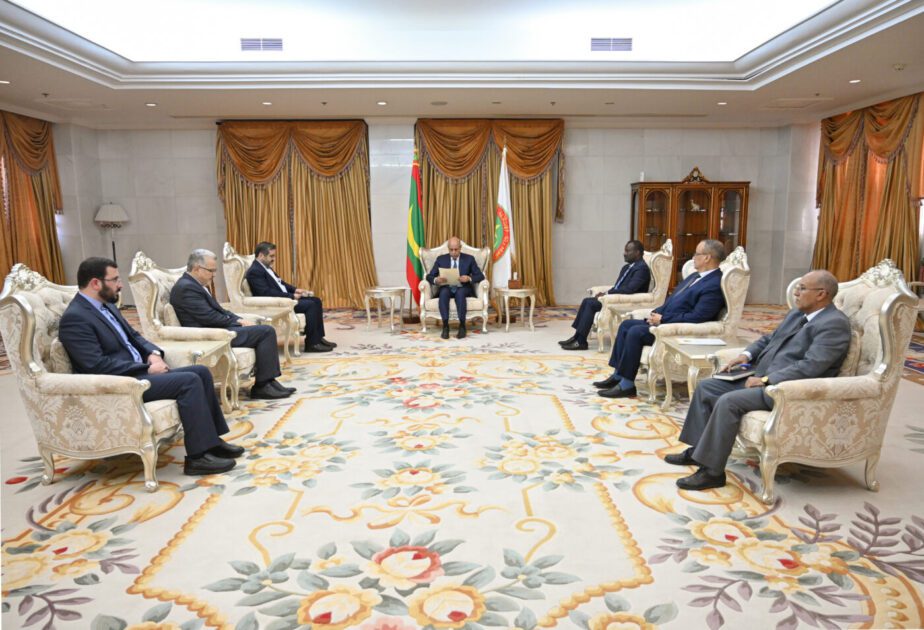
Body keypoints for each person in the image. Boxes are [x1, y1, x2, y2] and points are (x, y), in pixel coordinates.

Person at [58, 257, 243, 476]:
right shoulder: (75, 318)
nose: (120, 285)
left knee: (201, 372)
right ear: (96, 283)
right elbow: (95, 365)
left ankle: (212, 442)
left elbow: (135, 336)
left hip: (141, 371)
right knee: (190, 381)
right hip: (123, 383)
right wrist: (143, 369)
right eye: (115, 279)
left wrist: (153, 354)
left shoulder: (107, 306)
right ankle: (197, 458)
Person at [667, 270, 850, 491]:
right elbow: (768, 339)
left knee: (728, 402)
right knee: (706, 387)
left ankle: (712, 472)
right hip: (760, 376)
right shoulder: (797, 314)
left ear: (821, 294)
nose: (796, 293)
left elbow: (812, 366)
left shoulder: (834, 324)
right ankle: (698, 451)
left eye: (802, 288)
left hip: (787, 390)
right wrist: (746, 355)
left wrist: (766, 379)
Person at [594, 239, 727, 399]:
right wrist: (656, 313)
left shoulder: (714, 284)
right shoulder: (694, 276)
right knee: (626, 325)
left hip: (676, 329)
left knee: (635, 332)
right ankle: (618, 375)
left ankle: (627, 385)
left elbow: (698, 316)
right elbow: (673, 300)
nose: (693, 257)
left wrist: (663, 319)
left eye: (696, 253)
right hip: (664, 320)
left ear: (707, 257)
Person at [169, 249, 294, 401]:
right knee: (265, 332)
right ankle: (262, 386)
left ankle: (269, 381)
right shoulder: (185, 288)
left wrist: (239, 319)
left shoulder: (196, 284)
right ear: (196, 268)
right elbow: (209, 317)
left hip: (218, 329)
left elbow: (220, 310)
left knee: (264, 330)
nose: (214, 275)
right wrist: (237, 322)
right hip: (210, 336)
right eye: (211, 271)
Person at [245, 241, 335, 354]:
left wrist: (295, 290)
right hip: (279, 304)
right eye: (271, 256)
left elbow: (280, 283)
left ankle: (318, 338)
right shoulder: (255, 271)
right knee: (311, 305)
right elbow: (266, 292)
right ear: (261, 255)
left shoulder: (265, 266)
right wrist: (292, 296)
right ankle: (312, 344)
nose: (274, 259)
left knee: (316, 301)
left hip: (285, 298)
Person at [560, 240, 651, 351]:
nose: (624, 253)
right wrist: (606, 293)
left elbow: (629, 289)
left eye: (628, 251)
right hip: (616, 298)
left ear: (637, 252)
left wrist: (607, 294)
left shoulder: (642, 269)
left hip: (626, 302)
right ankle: (577, 337)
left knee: (590, 304)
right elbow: (618, 286)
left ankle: (581, 342)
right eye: (625, 250)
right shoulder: (627, 268)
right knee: (587, 301)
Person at [425, 236, 485, 339]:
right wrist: (436, 280)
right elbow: (429, 276)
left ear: (460, 248)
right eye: (451, 249)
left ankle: (462, 326)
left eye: (456, 249)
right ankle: (445, 326)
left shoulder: (469, 259)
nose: (453, 252)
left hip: (463, 288)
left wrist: (469, 278)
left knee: (460, 293)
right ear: (448, 249)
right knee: (443, 293)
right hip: (447, 287)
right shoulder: (441, 259)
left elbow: (480, 276)